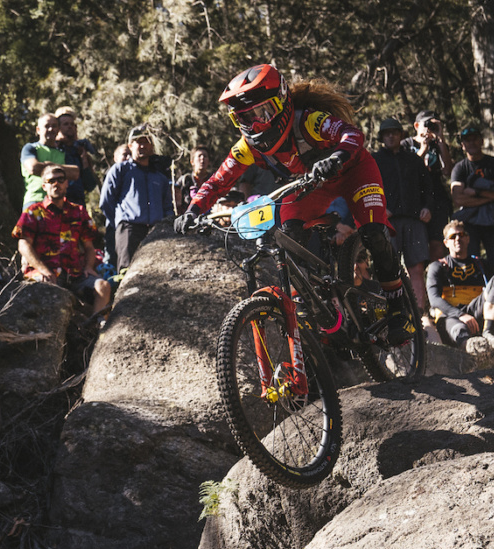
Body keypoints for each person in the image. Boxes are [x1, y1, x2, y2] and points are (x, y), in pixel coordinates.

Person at [178, 65, 414, 344]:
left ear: (282, 103)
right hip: (313, 184)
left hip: (354, 171)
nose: (255, 125)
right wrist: (193, 210)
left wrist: (337, 156)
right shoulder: (248, 146)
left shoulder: (308, 121)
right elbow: (218, 181)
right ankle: (322, 311)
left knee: (373, 233)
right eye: (245, 118)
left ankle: (400, 310)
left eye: (262, 113)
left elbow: (353, 136)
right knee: (290, 238)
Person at [15, 164, 112, 320]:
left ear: (67, 183)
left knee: (103, 286)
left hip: (74, 274)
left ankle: (97, 330)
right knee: (49, 293)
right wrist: (43, 270)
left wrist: (88, 266)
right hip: (44, 274)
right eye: (51, 180)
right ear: (44, 185)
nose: (57, 184)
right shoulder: (33, 212)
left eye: (61, 179)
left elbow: (89, 246)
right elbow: (23, 244)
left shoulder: (79, 212)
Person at [371, 116, 434, 316]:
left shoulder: (413, 159)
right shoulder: (375, 160)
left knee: (416, 269)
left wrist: (428, 208)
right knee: (387, 268)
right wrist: (380, 209)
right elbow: (369, 189)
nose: (391, 136)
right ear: (382, 137)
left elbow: (429, 189)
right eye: (387, 133)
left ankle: (419, 314)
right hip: (387, 221)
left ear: (401, 135)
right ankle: (389, 312)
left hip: (414, 221)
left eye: (394, 132)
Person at [426, 220, 494, 351]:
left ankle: (489, 332)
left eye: (461, 235)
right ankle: (472, 356)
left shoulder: (481, 265)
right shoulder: (438, 267)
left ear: (468, 239)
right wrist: (460, 315)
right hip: (450, 316)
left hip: (477, 310)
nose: (458, 239)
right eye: (453, 236)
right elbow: (434, 299)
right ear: (446, 243)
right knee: (460, 330)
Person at [101, 123, 175, 269]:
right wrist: (120, 222)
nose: (143, 146)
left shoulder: (160, 177)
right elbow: (106, 201)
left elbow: (167, 206)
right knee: (127, 272)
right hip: (129, 230)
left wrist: (166, 227)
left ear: (152, 146)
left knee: (157, 271)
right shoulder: (120, 170)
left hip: (156, 231)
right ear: (130, 145)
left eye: (147, 142)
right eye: (138, 142)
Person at [449, 126, 494, 277]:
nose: (472, 143)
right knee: (470, 266)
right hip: (470, 225)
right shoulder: (460, 168)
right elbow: (458, 198)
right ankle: (474, 300)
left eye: (475, 139)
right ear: (462, 145)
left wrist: (475, 193)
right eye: (467, 140)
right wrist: (490, 194)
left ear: (481, 141)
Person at [406, 110, 455, 262]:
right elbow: (407, 171)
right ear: (416, 125)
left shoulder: (439, 145)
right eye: (426, 124)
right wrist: (423, 148)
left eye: (433, 125)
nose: (429, 128)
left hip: (436, 199)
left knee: (437, 246)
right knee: (415, 248)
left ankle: (434, 281)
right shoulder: (406, 144)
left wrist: (440, 140)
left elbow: (447, 170)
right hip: (414, 200)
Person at [21, 113, 77, 208]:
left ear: (58, 129)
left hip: (59, 203)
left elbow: (75, 172)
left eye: (54, 126)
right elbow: (33, 168)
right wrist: (60, 170)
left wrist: (47, 165)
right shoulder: (30, 148)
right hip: (35, 200)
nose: (51, 129)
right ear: (38, 130)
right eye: (47, 126)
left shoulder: (62, 153)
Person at [54, 106, 99, 205]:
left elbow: (90, 185)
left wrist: (84, 161)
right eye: (65, 124)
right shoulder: (53, 150)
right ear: (58, 128)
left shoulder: (80, 151)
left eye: (72, 124)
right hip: (57, 202)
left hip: (77, 204)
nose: (70, 127)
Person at [174, 145, 215, 215]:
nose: (202, 158)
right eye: (199, 156)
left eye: (205, 156)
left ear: (209, 161)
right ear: (192, 161)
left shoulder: (214, 180)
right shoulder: (185, 180)